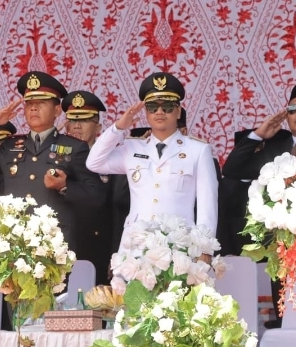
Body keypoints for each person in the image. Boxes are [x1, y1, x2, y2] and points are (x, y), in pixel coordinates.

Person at [0, 71, 107, 250]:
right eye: (29, 103)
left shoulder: (75, 147)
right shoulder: (11, 146)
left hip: (54, 244)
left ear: (57, 110)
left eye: (41, 103)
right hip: (14, 243)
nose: (33, 108)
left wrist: (64, 187)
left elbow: (96, 196)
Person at [222, 82, 296, 329]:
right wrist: (258, 135)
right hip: (281, 238)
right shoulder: (275, 145)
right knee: (285, 309)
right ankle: (282, 323)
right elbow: (232, 169)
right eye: (292, 109)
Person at [86, 72, 218, 250]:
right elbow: (93, 163)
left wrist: (205, 248)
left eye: (168, 107)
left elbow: (207, 205)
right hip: (135, 246)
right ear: (146, 113)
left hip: (179, 245)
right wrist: (118, 128)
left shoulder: (198, 150)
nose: (159, 112)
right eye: (152, 107)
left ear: (178, 111)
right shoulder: (132, 148)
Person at [61, 90, 112, 286]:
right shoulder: (56, 157)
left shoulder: (111, 159)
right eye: (72, 120)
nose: (77, 126)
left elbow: (116, 209)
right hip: (62, 246)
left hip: (98, 246)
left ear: (98, 127)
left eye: (84, 120)